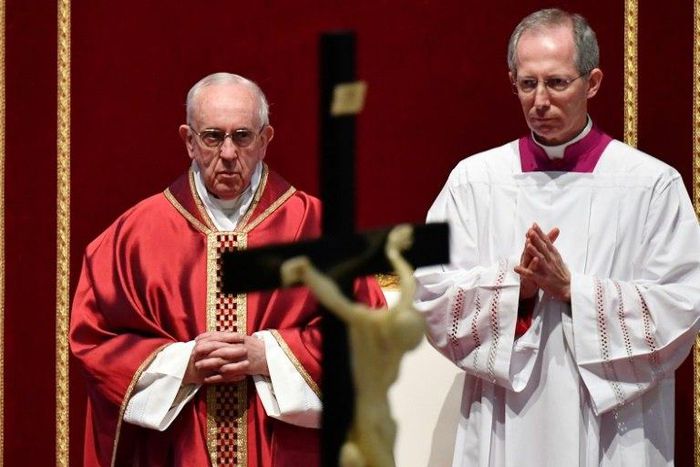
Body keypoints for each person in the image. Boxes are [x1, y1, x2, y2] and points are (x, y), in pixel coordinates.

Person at [415, 8, 700, 467]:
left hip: (614, 429)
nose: (540, 100)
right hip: (504, 420)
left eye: (557, 82)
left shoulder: (650, 185)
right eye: (527, 84)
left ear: (593, 82)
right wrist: (517, 289)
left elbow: (683, 305)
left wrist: (574, 291)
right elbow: (430, 296)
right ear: (513, 83)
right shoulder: (474, 182)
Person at [69, 72, 386, 467]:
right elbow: (96, 343)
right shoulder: (132, 237)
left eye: (242, 136)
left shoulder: (318, 229)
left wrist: (267, 354)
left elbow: (367, 335)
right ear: (188, 140)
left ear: (266, 139)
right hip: (176, 451)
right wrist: (183, 364)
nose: (229, 153)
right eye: (213, 137)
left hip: (288, 451)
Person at [281, 224, 425, 467]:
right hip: (371, 416)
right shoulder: (381, 334)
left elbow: (335, 300)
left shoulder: (381, 332)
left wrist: (309, 276)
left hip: (375, 416)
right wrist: (393, 253)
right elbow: (336, 300)